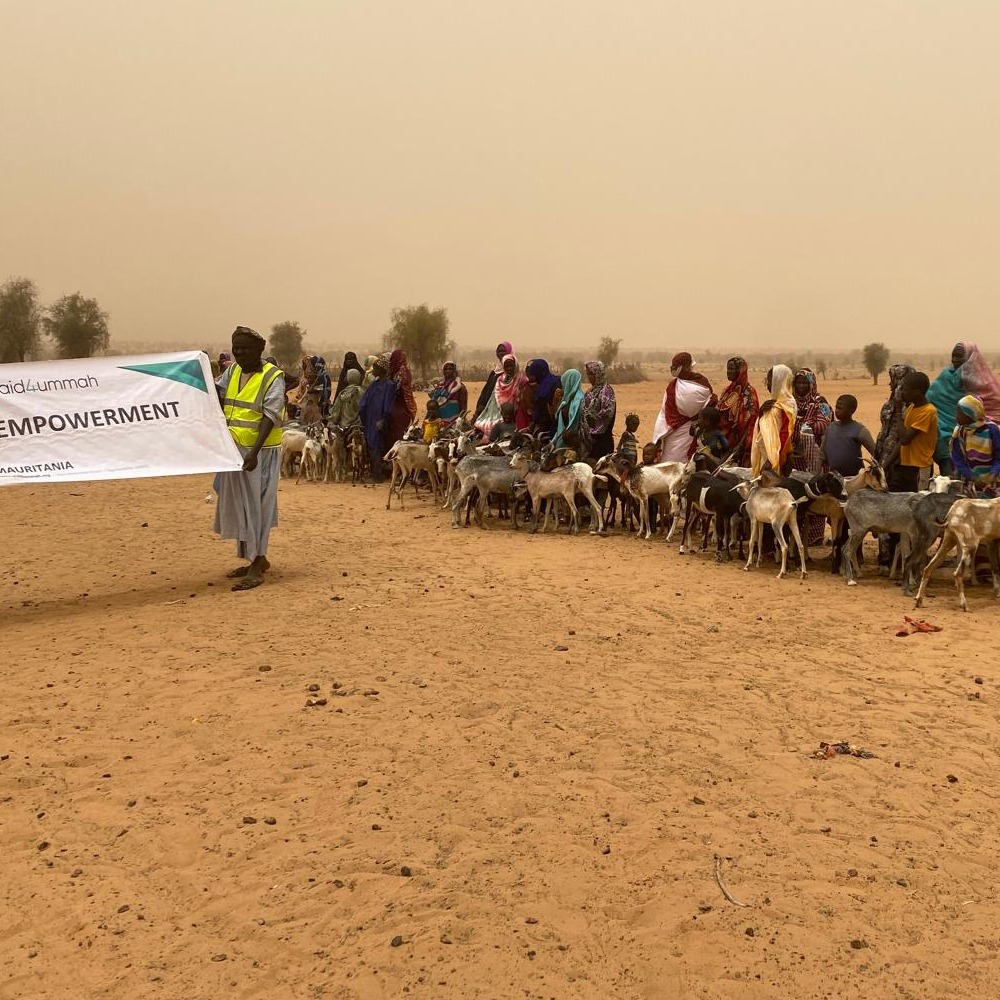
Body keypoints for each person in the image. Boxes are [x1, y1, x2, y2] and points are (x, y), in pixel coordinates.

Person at [213, 326, 285, 591]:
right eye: (237, 348)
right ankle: (256, 557)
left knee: (258, 507)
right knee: (241, 506)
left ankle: (256, 563)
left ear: (260, 351)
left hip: (260, 453)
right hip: (233, 451)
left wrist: (254, 452)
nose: (240, 353)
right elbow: (217, 394)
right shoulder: (231, 372)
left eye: (246, 348)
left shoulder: (272, 377)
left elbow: (271, 415)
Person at [927, 342, 1000, 474]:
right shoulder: (946, 376)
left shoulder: (984, 382)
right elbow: (930, 401)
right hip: (946, 434)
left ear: (971, 358)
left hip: (981, 441)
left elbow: (994, 408)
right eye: (953, 356)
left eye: (959, 356)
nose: (954, 360)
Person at [791, 368, 834, 546]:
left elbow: (825, 425)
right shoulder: (791, 403)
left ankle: (814, 536)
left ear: (811, 384)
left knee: (815, 494)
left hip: (814, 458)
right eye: (798, 382)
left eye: (804, 383)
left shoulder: (820, 404)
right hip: (795, 458)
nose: (801, 386)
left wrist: (804, 426)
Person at [652, 353, 715, 462]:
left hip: (686, 431)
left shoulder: (674, 386)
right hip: (676, 432)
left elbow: (664, 415)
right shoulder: (674, 387)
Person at [885, 372, 938, 492]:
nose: (902, 392)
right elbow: (901, 442)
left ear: (917, 392)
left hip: (920, 467)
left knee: (917, 504)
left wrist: (898, 412)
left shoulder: (928, 411)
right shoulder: (911, 408)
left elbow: (905, 439)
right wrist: (886, 465)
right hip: (904, 465)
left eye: (905, 389)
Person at [751, 365, 797, 475]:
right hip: (765, 452)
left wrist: (773, 459)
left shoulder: (787, 404)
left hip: (774, 457)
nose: (767, 384)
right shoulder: (773, 402)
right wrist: (761, 412)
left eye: (771, 381)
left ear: (780, 381)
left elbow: (785, 434)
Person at [357, 357, 397, 481]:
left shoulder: (389, 385)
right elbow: (364, 401)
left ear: (382, 370)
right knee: (371, 444)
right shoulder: (375, 383)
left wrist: (383, 419)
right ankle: (376, 472)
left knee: (375, 445)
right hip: (369, 418)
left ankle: (377, 475)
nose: (373, 371)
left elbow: (388, 404)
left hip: (379, 419)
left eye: (375, 368)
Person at [717, 356, 760, 467]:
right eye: (728, 368)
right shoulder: (727, 390)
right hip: (723, 442)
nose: (728, 372)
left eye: (732, 369)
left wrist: (738, 448)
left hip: (740, 445)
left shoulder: (749, 392)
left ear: (740, 371)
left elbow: (750, 423)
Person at [951, 394, 1000, 488]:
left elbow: (999, 457)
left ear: (971, 416)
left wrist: (993, 474)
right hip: (970, 481)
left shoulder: (991, 430)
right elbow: (957, 459)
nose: (956, 417)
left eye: (960, 413)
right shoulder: (959, 432)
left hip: (994, 481)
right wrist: (973, 477)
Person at [821, 395, 876, 477]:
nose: (836, 411)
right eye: (836, 407)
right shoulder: (830, 428)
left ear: (852, 411)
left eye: (840, 408)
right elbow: (822, 453)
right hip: (835, 478)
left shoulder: (859, 430)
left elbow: (875, 452)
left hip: (855, 478)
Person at [582, 361, 617, 459]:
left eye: (591, 374)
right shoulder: (591, 391)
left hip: (601, 441)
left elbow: (606, 415)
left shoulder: (607, 392)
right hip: (587, 441)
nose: (589, 377)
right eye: (588, 374)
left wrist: (590, 424)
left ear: (599, 374)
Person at [473, 342, 513, 423]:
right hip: (489, 407)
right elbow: (486, 390)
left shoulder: (511, 372)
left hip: (503, 411)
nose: (501, 353)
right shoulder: (495, 372)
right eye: (499, 351)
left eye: (503, 351)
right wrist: (480, 405)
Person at [387, 349, 417, 446]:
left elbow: (397, 388)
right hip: (399, 402)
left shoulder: (402, 371)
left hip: (402, 403)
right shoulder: (393, 370)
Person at [524, 359, 562, 436]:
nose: (533, 378)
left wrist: (535, 423)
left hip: (548, 425)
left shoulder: (543, 388)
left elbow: (541, 409)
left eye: (534, 375)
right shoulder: (557, 379)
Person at [493, 354, 529, 430]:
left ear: (515, 365)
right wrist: (502, 408)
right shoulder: (500, 379)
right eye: (506, 366)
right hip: (500, 410)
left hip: (517, 409)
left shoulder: (522, 379)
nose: (509, 368)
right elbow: (497, 395)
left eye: (511, 366)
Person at [552, 369, 585, 450]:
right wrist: (556, 400)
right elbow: (557, 418)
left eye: (564, 383)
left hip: (571, 444)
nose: (563, 386)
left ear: (569, 383)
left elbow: (574, 425)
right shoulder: (566, 400)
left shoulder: (579, 400)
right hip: (561, 441)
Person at [429, 361, 469, 426]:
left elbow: (463, 407)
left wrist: (460, 421)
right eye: (445, 369)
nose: (447, 371)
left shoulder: (460, 387)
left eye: (450, 369)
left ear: (454, 371)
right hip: (439, 422)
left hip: (454, 423)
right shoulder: (439, 387)